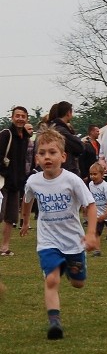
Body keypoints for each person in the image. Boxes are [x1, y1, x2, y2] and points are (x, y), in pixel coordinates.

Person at [20, 128, 97, 340]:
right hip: (48, 239)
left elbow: (90, 205)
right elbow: (27, 201)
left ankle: (72, 268)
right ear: (36, 158)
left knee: (77, 283)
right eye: (42, 153)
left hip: (72, 240)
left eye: (52, 152)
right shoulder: (33, 182)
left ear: (63, 156)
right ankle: (54, 322)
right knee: (52, 280)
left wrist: (91, 234)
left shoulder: (72, 180)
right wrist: (26, 221)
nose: (47, 157)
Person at [0, 106, 34, 256]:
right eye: (17, 116)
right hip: (2, 181)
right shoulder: (5, 134)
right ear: (12, 118)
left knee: (10, 217)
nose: (20, 118)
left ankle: (4, 248)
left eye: (23, 116)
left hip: (16, 183)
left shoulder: (26, 138)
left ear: (27, 118)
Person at [48, 101, 85, 177]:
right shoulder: (61, 131)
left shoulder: (51, 128)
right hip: (67, 169)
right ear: (68, 113)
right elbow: (79, 147)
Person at [87, 162, 107, 255]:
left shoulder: (106, 187)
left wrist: (106, 214)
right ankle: (97, 250)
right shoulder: (91, 184)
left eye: (95, 174)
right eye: (91, 174)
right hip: (98, 214)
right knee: (96, 232)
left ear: (102, 174)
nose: (92, 176)